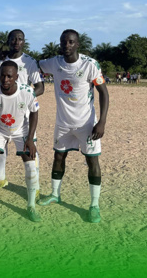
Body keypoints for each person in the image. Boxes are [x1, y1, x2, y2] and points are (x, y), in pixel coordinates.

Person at [38, 29, 109, 223]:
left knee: (92, 161)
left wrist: (101, 121)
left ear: (77, 44)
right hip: (63, 123)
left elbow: (104, 93)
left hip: (86, 124)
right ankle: (55, 194)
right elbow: (35, 66)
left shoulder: (90, 65)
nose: (66, 45)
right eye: (63, 42)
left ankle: (94, 205)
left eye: (70, 42)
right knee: (58, 156)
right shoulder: (54, 63)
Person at [0, 61, 40, 220]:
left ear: (17, 77)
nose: (5, 79)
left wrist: (30, 139)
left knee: (31, 166)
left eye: (9, 76)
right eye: (2, 75)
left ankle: (31, 206)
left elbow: (34, 113)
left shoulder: (27, 91)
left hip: (22, 130)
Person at [0, 29, 44, 194]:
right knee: (1, 147)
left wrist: (25, 97)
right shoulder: (0, 62)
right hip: (3, 114)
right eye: (13, 39)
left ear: (24, 42)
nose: (16, 42)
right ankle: (0, 179)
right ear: (8, 41)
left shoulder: (30, 61)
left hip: (24, 116)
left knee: (30, 150)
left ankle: (35, 186)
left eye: (20, 39)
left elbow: (40, 87)